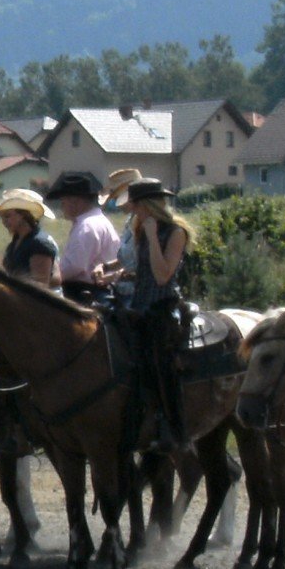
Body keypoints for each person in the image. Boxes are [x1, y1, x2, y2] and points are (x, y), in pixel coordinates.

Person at [120, 179, 193, 450]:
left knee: (161, 362)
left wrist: (152, 238)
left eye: (136, 206)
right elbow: (148, 271)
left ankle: (173, 426)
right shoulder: (142, 229)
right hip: (139, 304)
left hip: (162, 306)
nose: (133, 211)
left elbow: (163, 276)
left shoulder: (175, 232)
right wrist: (121, 274)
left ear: (147, 205)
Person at [46, 171, 117, 303]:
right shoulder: (96, 222)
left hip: (83, 293)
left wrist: (46, 279)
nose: (62, 206)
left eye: (63, 201)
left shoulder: (87, 227)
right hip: (94, 289)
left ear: (75, 202)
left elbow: (74, 266)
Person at [0, 187, 60, 290]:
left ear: (24, 215)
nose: (4, 221)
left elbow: (40, 286)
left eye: (7, 216)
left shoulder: (39, 244)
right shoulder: (15, 243)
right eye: (2, 217)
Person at [95, 168, 150, 305]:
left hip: (141, 295)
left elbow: (146, 269)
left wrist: (115, 276)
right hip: (122, 292)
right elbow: (128, 259)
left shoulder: (148, 224)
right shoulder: (130, 221)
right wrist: (104, 267)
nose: (117, 204)